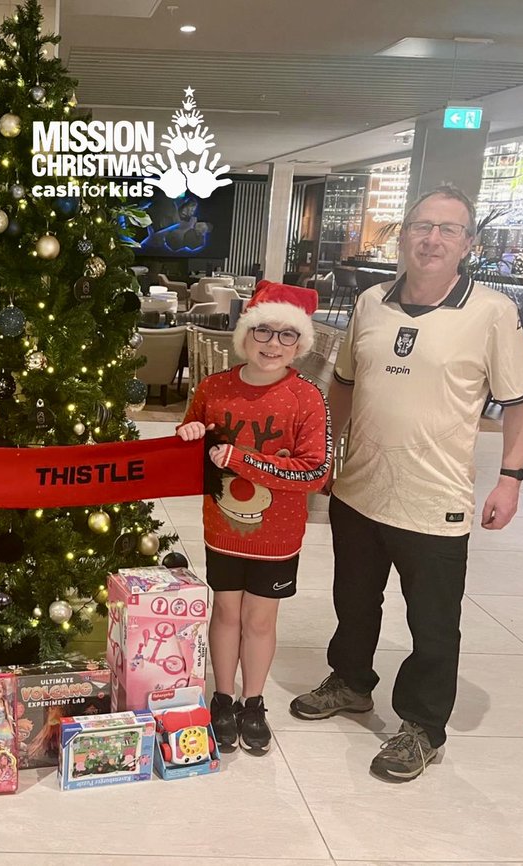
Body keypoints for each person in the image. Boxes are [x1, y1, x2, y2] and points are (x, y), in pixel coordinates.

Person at [289, 183, 523, 782]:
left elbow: (522, 403)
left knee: (432, 622)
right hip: (359, 489)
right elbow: (344, 384)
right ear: (402, 235)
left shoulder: (491, 312)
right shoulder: (371, 302)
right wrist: (325, 451)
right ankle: (350, 682)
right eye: (422, 226)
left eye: (448, 229)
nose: (432, 239)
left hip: (435, 500)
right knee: (353, 603)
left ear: (467, 244)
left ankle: (423, 727)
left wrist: (510, 480)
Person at [176, 281, 332, 754]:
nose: (273, 344)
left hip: (279, 534)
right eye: (264, 331)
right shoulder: (214, 388)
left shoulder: (307, 398)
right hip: (223, 527)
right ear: (245, 334)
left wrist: (240, 460)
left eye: (288, 335)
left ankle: (253, 701)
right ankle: (222, 697)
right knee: (225, 612)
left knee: (260, 620)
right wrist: (192, 433)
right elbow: (189, 444)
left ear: (301, 344)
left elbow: (315, 471)